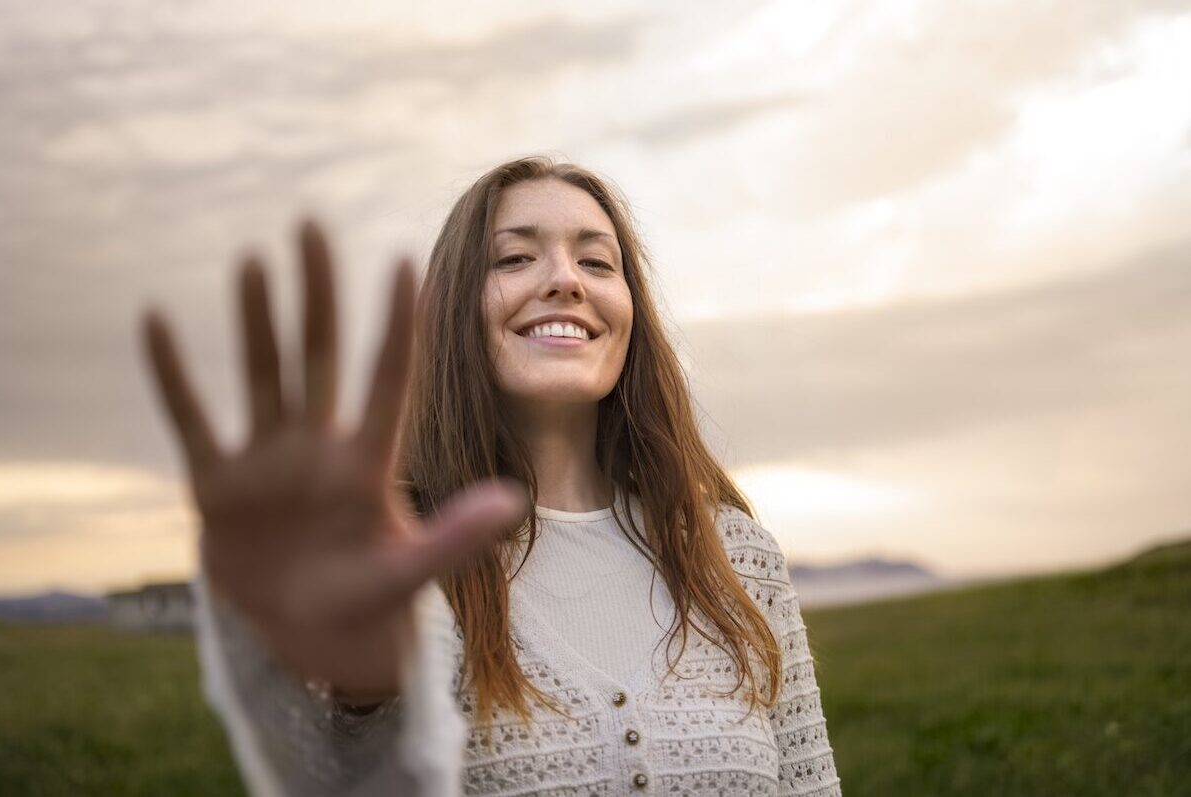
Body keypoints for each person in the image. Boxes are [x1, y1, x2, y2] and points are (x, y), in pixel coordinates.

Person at [142, 156, 842, 796]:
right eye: (513, 257)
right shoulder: (400, 565)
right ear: (456, 311)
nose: (565, 278)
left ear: (632, 314)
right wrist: (361, 700)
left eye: (597, 263)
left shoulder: (737, 556)